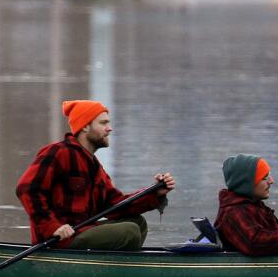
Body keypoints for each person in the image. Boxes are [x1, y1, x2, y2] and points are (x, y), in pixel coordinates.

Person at [15, 100, 175, 251]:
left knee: (138, 223)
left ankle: (110, 267)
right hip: (58, 240)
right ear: (85, 126)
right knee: (130, 231)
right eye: (103, 123)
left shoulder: (94, 166)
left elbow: (115, 205)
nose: (109, 128)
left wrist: (154, 193)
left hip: (82, 231)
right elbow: (26, 189)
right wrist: (53, 227)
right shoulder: (58, 152)